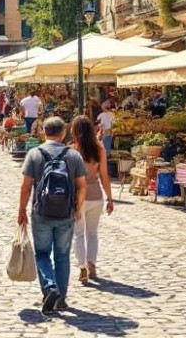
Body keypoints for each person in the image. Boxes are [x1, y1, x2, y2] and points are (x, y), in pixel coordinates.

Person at [17, 116, 87, 315]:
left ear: (43, 132)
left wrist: (21, 211)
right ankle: (61, 298)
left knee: (42, 254)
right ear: (63, 133)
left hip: (41, 212)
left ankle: (49, 287)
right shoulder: (73, 155)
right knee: (63, 255)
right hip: (65, 213)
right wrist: (77, 208)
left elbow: (25, 186)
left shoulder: (34, 153)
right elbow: (81, 186)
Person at [69, 115, 114, 283]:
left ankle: (82, 267)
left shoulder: (71, 150)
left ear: (74, 131)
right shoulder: (99, 149)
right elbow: (104, 176)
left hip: (78, 198)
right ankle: (92, 264)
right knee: (93, 234)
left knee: (78, 234)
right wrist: (110, 198)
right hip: (96, 196)